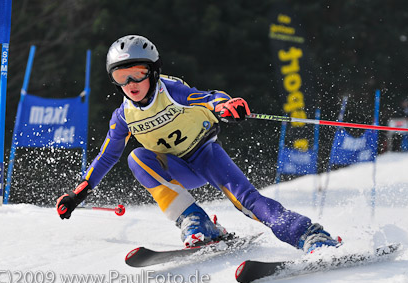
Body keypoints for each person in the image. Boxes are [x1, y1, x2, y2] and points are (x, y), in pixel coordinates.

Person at [56, 35, 340, 253]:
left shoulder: (172, 91)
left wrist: (227, 106)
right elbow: (106, 157)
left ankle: (310, 235)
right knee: (137, 158)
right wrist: (77, 195)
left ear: (152, 72)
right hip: (177, 168)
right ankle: (196, 221)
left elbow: (208, 98)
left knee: (247, 202)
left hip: (205, 155)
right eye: (121, 76)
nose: (130, 82)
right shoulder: (123, 117)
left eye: (138, 73)